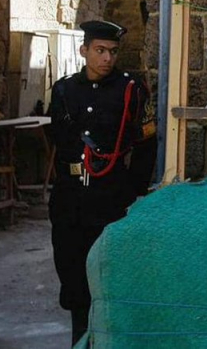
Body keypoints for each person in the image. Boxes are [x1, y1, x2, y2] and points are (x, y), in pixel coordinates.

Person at [48, 20, 157, 345]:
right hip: (69, 198)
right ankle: (79, 340)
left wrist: (134, 191)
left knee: (110, 276)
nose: (107, 58)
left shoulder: (131, 90)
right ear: (84, 51)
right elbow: (59, 139)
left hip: (111, 197)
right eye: (99, 50)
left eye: (112, 51)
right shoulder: (64, 90)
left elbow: (146, 143)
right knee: (72, 276)